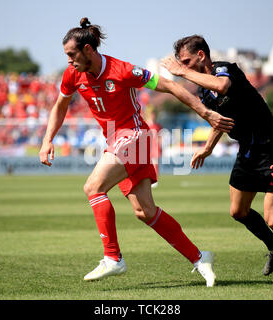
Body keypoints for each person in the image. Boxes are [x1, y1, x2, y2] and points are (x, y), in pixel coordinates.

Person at [39, 19, 235, 286]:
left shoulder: (122, 70)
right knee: (145, 211)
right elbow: (60, 106)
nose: (69, 61)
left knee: (93, 187)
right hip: (118, 138)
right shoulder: (72, 74)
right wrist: (47, 139)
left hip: (134, 134)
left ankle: (113, 258)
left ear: (87, 49)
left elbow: (170, 86)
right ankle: (200, 258)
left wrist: (205, 112)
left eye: (72, 55)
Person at [161, 35, 273, 283]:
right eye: (182, 63)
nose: (185, 66)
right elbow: (221, 120)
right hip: (247, 152)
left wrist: (180, 71)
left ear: (201, 55)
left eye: (187, 61)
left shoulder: (225, 70)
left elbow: (222, 86)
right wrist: (207, 148)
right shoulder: (205, 90)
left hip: (272, 150)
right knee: (238, 211)